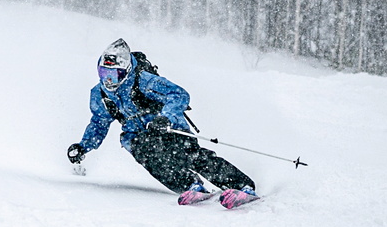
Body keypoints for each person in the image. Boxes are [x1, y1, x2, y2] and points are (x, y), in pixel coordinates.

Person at [66, 39, 259, 209]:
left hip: (166, 126)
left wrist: (165, 117)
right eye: (103, 73)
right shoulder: (100, 94)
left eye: (114, 74)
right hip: (136, 136)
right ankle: (190, 186)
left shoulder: (144, 81)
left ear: (125, 71)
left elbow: (179, 94)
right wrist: (84, 147)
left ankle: (242, 185)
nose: (108, 80)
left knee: (189, 155)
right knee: (151, 157)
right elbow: (99, 122)